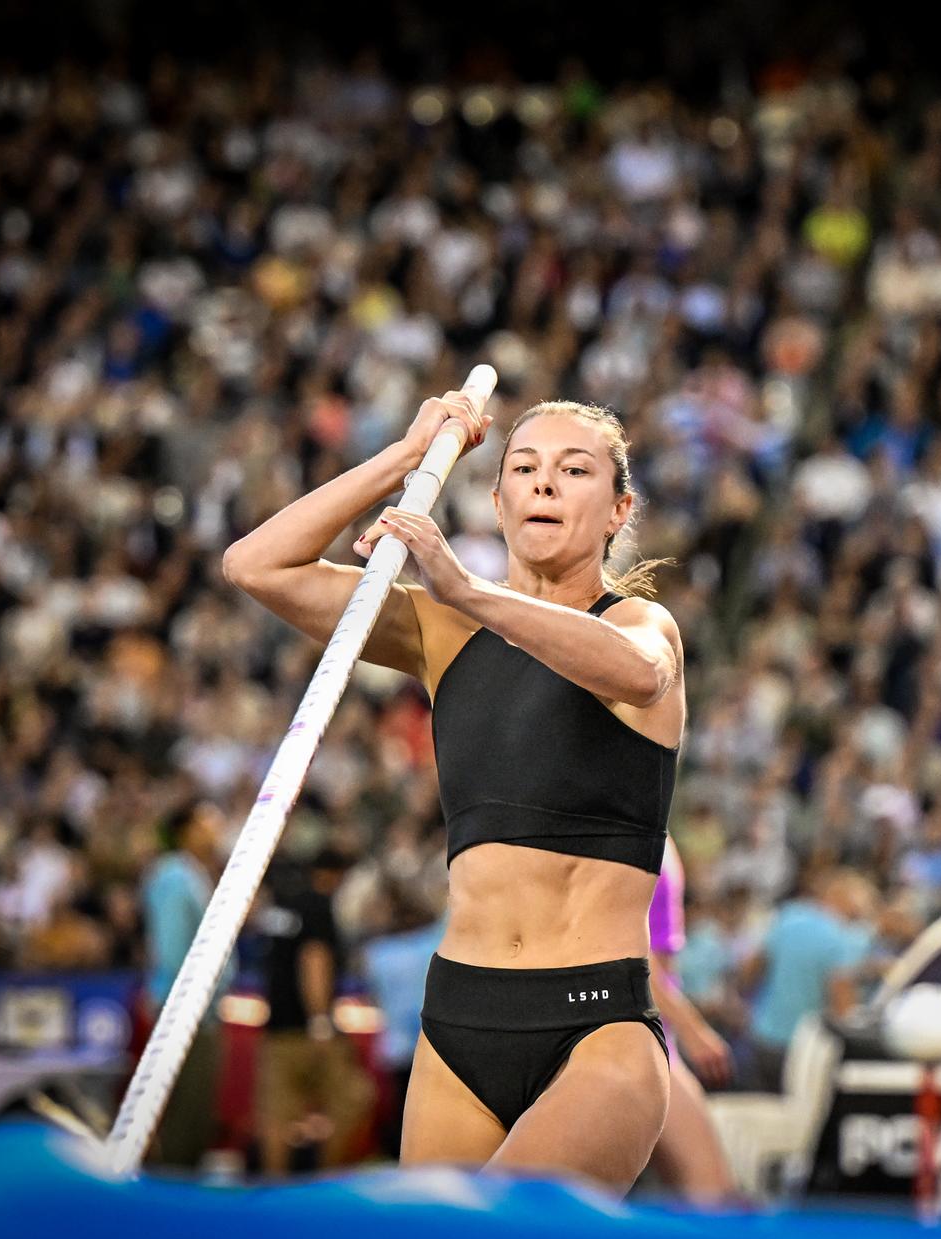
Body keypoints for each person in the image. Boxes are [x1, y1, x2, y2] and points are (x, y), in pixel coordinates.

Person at [224, 390, 684, 1193]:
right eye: (524, 468)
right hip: (459, 1020)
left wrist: (467, 589)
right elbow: (255, 565)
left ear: (619, 510)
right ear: (498, 502)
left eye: (574, 470)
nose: (545, 483)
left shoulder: (639, 625)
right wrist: (408, 458)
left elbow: (640, 676)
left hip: (595, 1023)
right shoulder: (442, 633)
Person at [255, 848, 374, 1173]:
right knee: (353, 1097)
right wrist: (320, 1021)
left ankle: (274, 1189)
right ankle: (324, 1177)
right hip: (311, 1029)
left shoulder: (281, 906)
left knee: (278, 1113)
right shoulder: (319, 906)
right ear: (334, 875)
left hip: (276, 1029)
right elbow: (314, 958)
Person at [646, 836, 739, 1205]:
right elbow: (624, 949)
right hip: (641, 1034)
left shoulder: (657, 834)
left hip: (655, 1033)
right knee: (712, 1194)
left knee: (706, 1193)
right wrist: (692, 1027)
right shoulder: (628, 831)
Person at [140, 798, 229, 1168]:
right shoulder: (175, 876)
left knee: (197, 1110)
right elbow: (174, 946)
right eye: (207, 821)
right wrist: (188, 1001)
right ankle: (172, 1188)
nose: (216, 828)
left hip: (198, 1007)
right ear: (186, 830)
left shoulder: (192, 873)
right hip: (185, 1008)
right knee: (186, 1113)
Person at [740, 867, 876, 1091]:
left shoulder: (787, 916)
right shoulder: (841, 938)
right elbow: (844, 1007)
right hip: (805, 1048)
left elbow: (750, 970)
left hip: (764, 1037)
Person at [357, 880, 447, 1160]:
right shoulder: (431, 944)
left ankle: (402, 1160)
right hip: (433, 1041)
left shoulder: (376, 954)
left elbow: (373, 995)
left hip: (394, 1046)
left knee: (402, 1110)